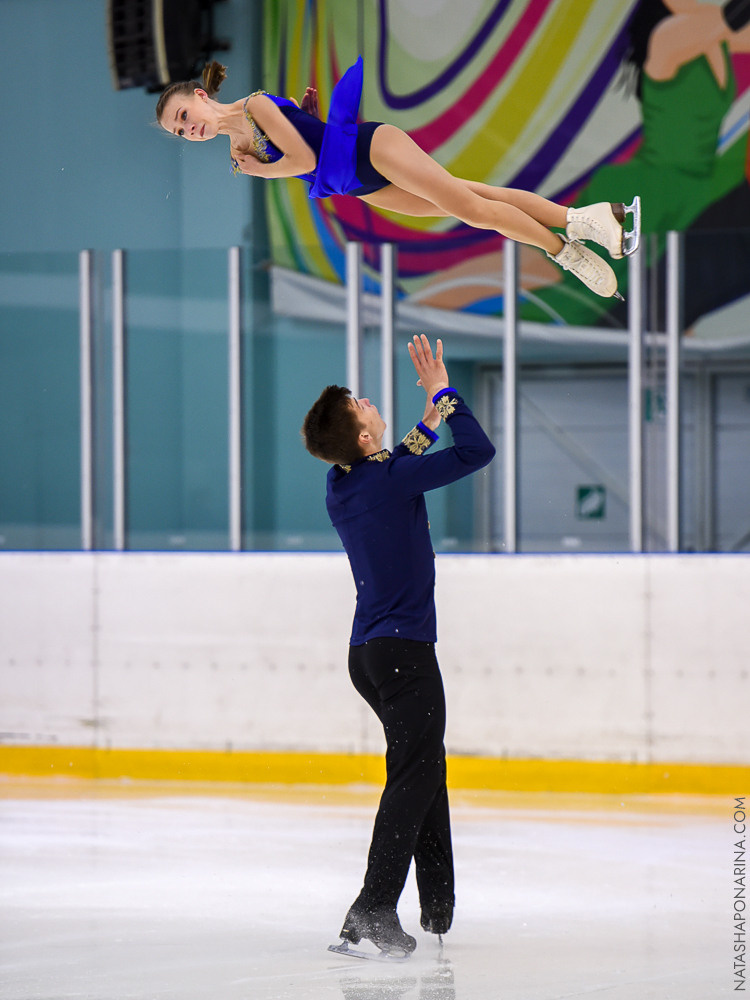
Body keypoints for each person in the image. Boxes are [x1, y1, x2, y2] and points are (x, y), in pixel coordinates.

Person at [301, 334, 495, 958]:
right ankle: (373, 906)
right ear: (363, 436)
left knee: (422, 764)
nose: (365, 400)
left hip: (369, 655)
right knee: (413, 773)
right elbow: (477, 451)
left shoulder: (343, 483)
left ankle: (436, 902)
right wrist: (444, 393)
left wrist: (425, 421)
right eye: (359, 404)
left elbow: (392, 466)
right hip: (405, 653)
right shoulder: (388, 475)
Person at [156, 58, 638, 301]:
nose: (187, 128)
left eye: (183, 114)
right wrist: (301, 122)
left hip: (373, 149)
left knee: (473, 210)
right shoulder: (238, 151)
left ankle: (567, 252)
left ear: (201, 96)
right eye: (178, 131)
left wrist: (267, 165)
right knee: (478, 198)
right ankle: (588, 219)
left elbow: (302, 156)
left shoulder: (253, 106)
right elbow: (304, 148)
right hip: (360, 186)